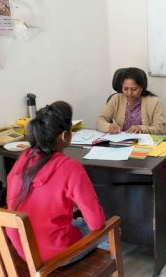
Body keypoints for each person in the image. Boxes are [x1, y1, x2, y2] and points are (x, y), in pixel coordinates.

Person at [6, 101, 105, 263]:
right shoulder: (71, 168)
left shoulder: (24, 158)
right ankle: (90, 273)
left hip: (24, 249)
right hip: (56, 255)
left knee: (77, 221)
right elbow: (96, 224)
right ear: (65, 136)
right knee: (108, 230)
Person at [96, 67, 166, 134]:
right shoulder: (116, 99)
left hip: (145, 144)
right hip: (120, 142)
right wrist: (109, 127)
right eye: (126, 89)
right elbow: (100, 120)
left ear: (142, 87)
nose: (129, 93)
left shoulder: (154, 102)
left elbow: (160, 128)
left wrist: (141, 129)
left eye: (134, 89)